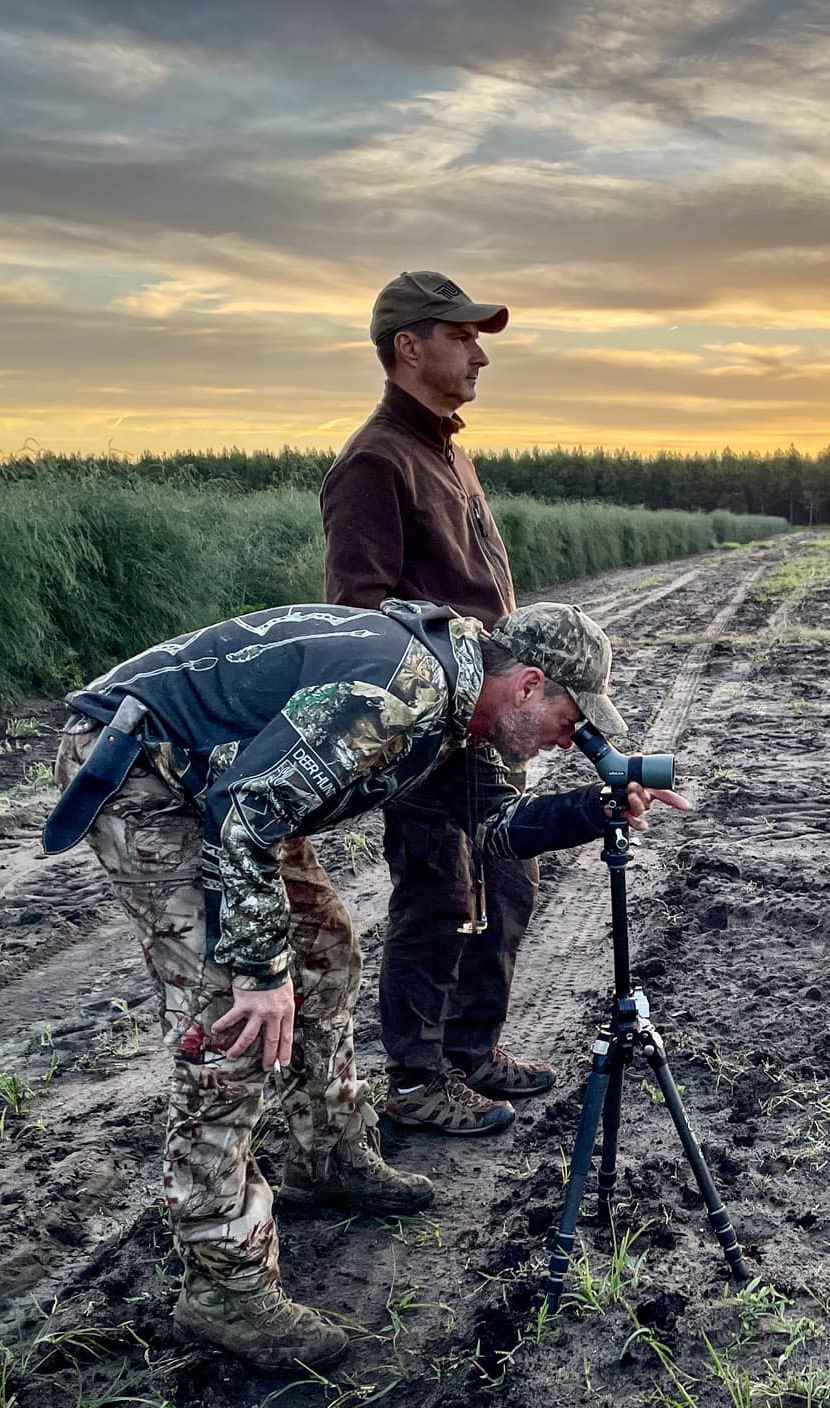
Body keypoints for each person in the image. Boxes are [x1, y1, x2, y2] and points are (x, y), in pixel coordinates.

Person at [42, 599, 688, 1367]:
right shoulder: (398, 692)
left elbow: (496, 828)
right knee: (231, 1019)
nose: (568, 741)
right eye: (570, 722)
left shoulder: (460, 709)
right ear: (529, 685)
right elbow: (246, 814)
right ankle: (224, 1285)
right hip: (151, 771)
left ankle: (325, 1155)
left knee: (328, 956)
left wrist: (597, 806)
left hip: (231, 792)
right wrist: (257, 970)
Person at [319, 270, 546, 1137]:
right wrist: (454, 671)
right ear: (408, 346)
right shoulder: (374, 462)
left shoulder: (449, 449)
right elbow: (357, 612)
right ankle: (415, 1082)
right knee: (437, 892)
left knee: (507, 879)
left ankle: (471, 1050)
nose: (479, 352)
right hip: (427, 727)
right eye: (462, 336)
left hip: (485, 720)